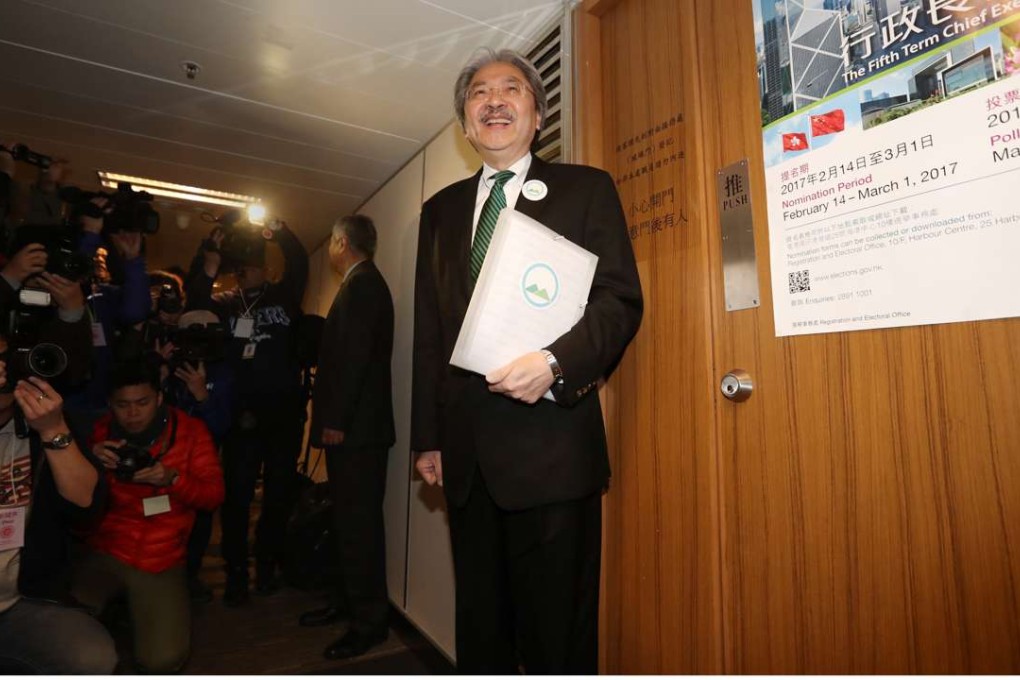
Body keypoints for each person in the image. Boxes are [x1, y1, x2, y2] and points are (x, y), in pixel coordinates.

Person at [411, 48, 643, 673]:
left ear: (537, 115)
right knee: (483, 629)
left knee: (554, 633)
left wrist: (555, 362)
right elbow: (431, 332)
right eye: (479, 94)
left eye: (511, 89)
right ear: (466, 124)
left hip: (552, 446)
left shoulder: (585, 189)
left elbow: (620, 300)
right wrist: (427, 439)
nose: (494, 100)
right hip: (466, 457)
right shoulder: (439, 214)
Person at [71, 360, 224, 673]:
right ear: (110, 405)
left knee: (163, 659)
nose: (133, 413)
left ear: (158, 398)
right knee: (62, 617)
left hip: (161, 554)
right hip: (107, 547)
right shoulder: (98, 432)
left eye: (142, 403)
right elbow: (71, 501)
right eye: (123, 405)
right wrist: (88, 458)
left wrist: (173, 479)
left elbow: (213, 497)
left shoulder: (191, 432)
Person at [186, 217, 308, 604]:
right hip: (242, 415)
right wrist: (211, 250)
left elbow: (300, 261)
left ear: (266, 268)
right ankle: (236, 572)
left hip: (284, 413)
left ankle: (267, 565)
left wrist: (280, 230)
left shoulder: (284, 295)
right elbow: (197, 301)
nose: (246, 272)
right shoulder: (226, 303)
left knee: (277, 494)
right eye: (240, 267)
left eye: (252, 265)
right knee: (237, 497)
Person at [300, 215, 394, 660]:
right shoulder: (363, 284)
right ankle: (346, 604)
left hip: (357, 433)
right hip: (356, 431)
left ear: (339, 242)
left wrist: (333, 420)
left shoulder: (363, 287)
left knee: (359, 529)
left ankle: (369, 624)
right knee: (346, 522)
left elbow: (352, 361)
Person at [0, 337, 116, 674]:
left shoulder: (41, 428)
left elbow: (86, 507)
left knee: (91, 656)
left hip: (19, 603)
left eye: (7, 359)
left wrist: (53, 429)